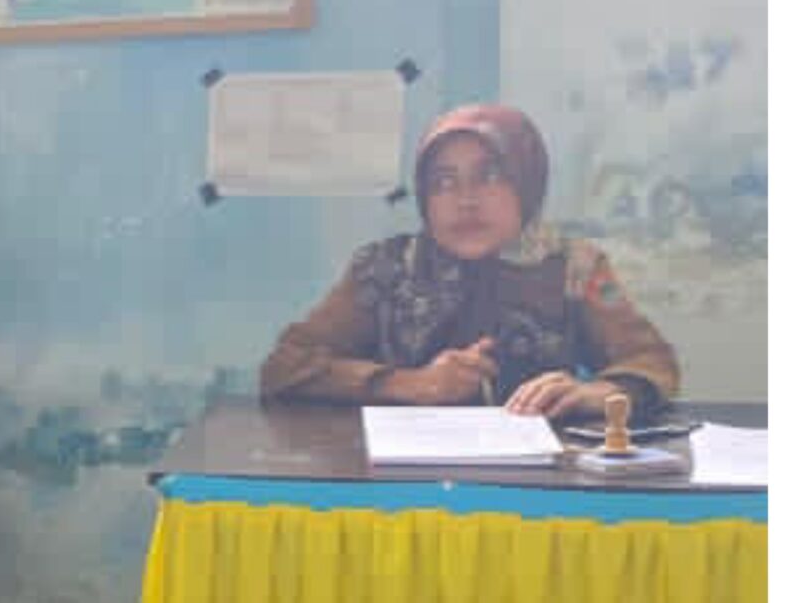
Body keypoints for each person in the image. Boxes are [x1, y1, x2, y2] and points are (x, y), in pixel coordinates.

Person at [259, 102, 681, 417]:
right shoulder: (383, 268)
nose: (465, 200)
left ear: (527, 182)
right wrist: (411, 385)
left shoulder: (575, 267)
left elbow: (652, 363)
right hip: (402, 487)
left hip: (539, 488)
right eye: (444, 181)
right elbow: (284, 367)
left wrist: (596, 394)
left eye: (490, 176)